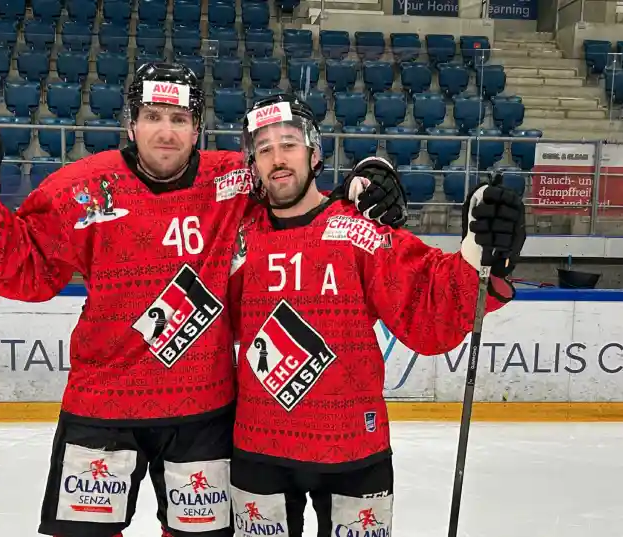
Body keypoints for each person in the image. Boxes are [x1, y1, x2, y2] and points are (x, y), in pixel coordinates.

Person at [0, 62, 408, 537]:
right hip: (103, 405)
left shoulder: (234, 180)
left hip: (200, 411)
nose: (166, 132)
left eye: (179, 119)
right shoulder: (84, 188)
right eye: (153, 116)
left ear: (197, 128)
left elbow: (296, 190)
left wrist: (367, 181)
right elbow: (30, 269)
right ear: (131, 124)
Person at [225, 93, 526, 537]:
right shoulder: (236, 236)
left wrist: (476, 258)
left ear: (314, 153)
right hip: (259, 444)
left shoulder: (357, 228)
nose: (278, 158)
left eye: (288, 144)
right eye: (264, 149)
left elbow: (426, 307)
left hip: (352, 446)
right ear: (253, 164)